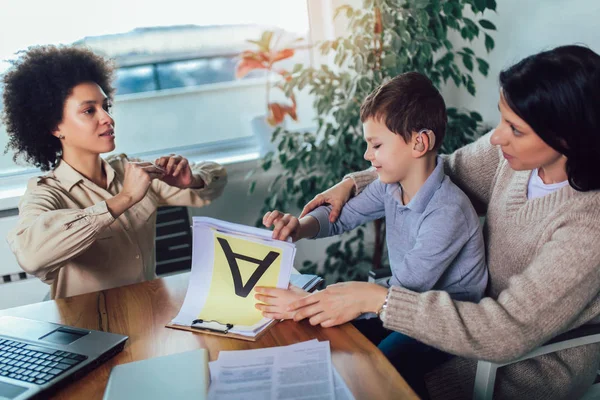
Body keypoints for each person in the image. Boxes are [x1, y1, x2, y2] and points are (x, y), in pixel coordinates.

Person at [267, 44, 600, 399]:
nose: (497, 136)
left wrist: (374, 299)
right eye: (503, 118)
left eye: (515, 129)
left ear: (565, 137)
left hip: (521, 364)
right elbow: (438, 172)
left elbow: (506, 332)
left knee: (364, 378)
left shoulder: (588, 226)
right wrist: (352, 183)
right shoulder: (510, 157)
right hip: (450, 317)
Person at [258, 72, 487, 358]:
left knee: (388, 357)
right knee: (329, 336)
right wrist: (297, 228)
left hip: (444, 320)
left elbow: (404, 289)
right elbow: (340, 217)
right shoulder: (389, 187)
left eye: (376, 145)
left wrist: (307, 301)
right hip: (399, 303)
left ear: (419, 143)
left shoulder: (447, 212)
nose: (367, 155)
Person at [3, 45, 227, 299]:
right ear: (55, 127)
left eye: (106, 107)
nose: (108, 118)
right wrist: (123, 200)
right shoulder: (45, 193)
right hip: (85, 329)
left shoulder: (128, 170)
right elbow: (31, 257)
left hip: (145, 313)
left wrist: (191, 180)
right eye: (89, 111)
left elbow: (214, 182)